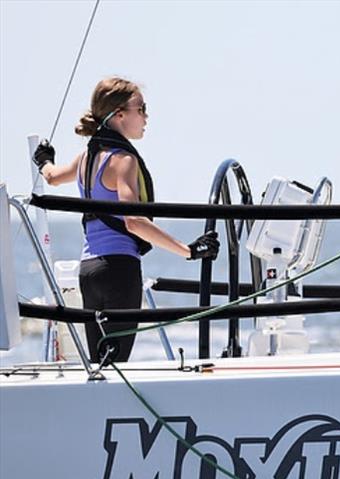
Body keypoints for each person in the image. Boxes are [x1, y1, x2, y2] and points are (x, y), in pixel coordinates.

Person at [32, 77, 220, 363]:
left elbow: (52, 177)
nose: (146, 117)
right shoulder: (123, 160)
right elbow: (134, 221)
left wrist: (44, 159)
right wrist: (190, 251)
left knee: (100, 368)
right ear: (119, 114)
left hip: (89, 272)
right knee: (115, 367)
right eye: (141, 109)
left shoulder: (86, 157)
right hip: (118, 271)